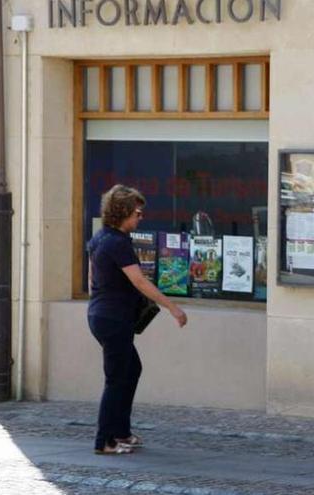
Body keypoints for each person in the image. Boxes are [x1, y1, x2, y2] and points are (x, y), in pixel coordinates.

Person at [87, 184, 188, 455]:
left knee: (131, 370)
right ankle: (104, 441)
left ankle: (121, 432)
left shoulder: (100, 238)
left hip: (102, 314)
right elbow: (139, 281)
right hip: (112, 318)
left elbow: (92, 279)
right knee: (116, 377)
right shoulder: (117, 243)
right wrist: (172, 307)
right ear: (123, 213)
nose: (141, 218)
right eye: (138, 213)